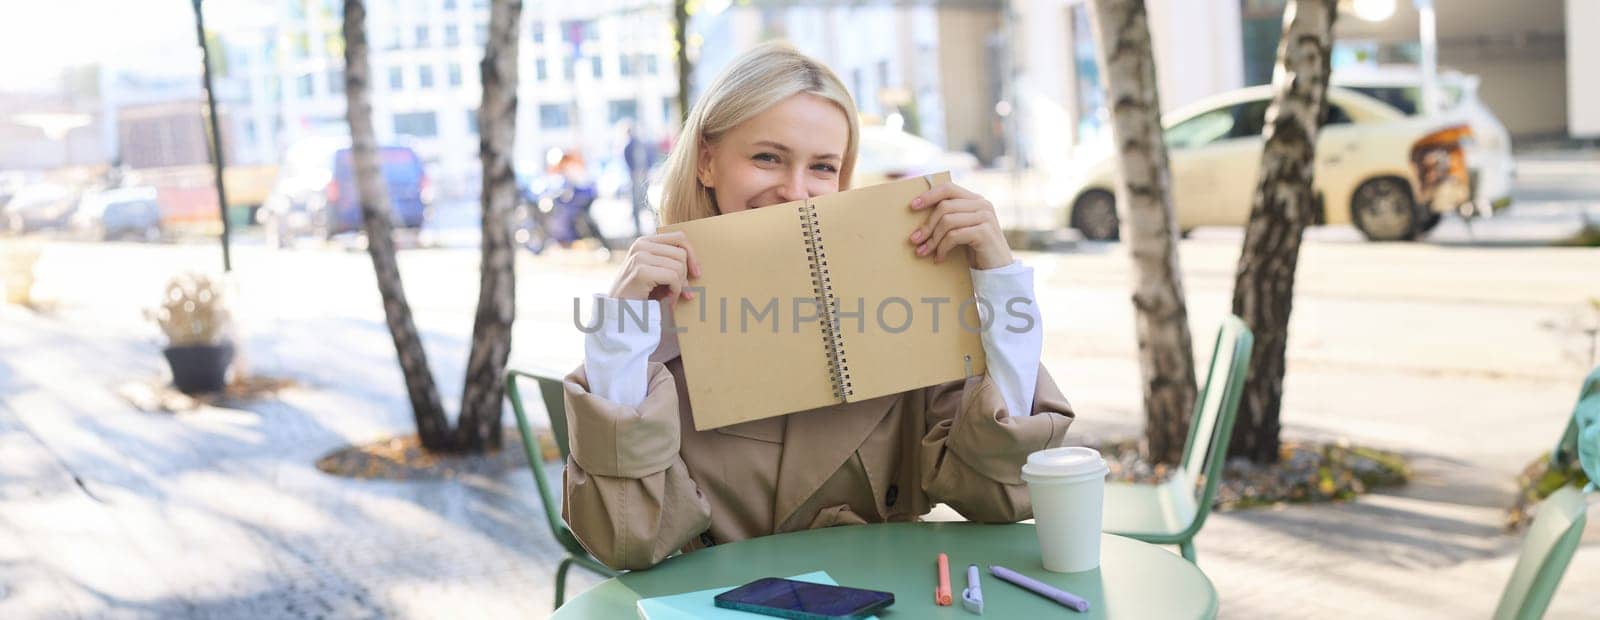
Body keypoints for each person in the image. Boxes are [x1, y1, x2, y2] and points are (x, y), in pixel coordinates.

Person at [562, 42, 1075, 571]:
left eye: (823, 167)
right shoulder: (647, 322)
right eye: (768, 157)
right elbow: (623, 538)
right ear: (708, 161)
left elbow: (1000, 491)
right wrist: (619, 332)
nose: (796, 192)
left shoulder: (901, 305)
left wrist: (998, 281)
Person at [623, 124, 654, 237]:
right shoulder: (630, 146)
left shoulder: (640, 144)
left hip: (642, 177)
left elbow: (649, 157)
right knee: (637, 204)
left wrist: (646, 170)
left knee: (646, 202)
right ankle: (638, 228)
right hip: (636, 177)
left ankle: (654, 225)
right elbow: (628, 160)